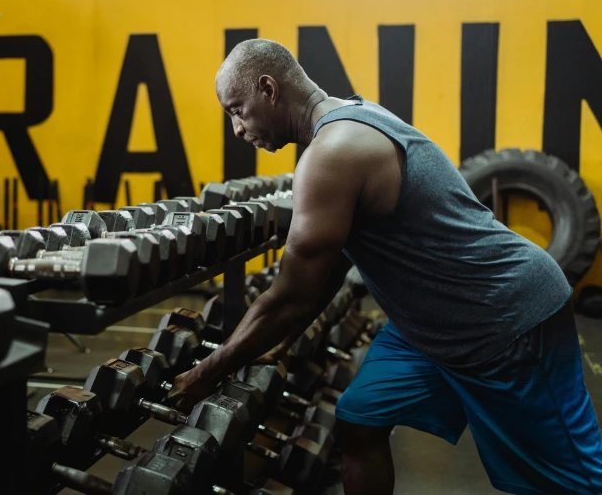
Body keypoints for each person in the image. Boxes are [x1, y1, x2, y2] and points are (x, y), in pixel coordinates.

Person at [166, 38, 602, 495]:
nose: (237, 128)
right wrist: (280, 342)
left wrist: (204, 373)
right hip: (431, 327)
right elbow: (330, 265)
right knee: (360, 418)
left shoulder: (332, 153)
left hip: (507, 317)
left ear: (269, 89)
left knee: (566, 482)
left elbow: (292, 296)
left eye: (238, 110)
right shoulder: (353, 115)